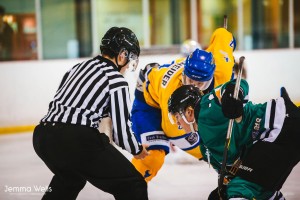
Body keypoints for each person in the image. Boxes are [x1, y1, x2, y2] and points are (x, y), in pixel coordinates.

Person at [32, 27, 149, 200]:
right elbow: (121, 131)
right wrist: (138, 150)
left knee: (69, 179)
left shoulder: (77, 68)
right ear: (122, 54)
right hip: (76, 140)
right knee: (133, 184)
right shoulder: (116, 80)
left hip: (43, 136)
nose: (128, 66)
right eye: (130, 58)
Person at [131, 27, 236, 182]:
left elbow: (222, 35)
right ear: (184, 74)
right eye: (188, 80)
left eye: (199, 83)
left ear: (210, 78)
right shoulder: (172, 92)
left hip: (164, 88)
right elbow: (176, 133)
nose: (192, 86)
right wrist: (221, 161)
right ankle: (128, 190)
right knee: (152, 157)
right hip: (150, 104)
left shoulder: (223, 69)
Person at [168, 80, 300, 199]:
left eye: (176, 117)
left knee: (242, 189)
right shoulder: (205, 148)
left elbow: (238, 84)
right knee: (256, 190)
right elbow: (231, 175)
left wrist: (231, 95)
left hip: (280, 124)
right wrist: (223, 191)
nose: (178, 124)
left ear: (189, 112)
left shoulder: (206, 107)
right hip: (271, 139)